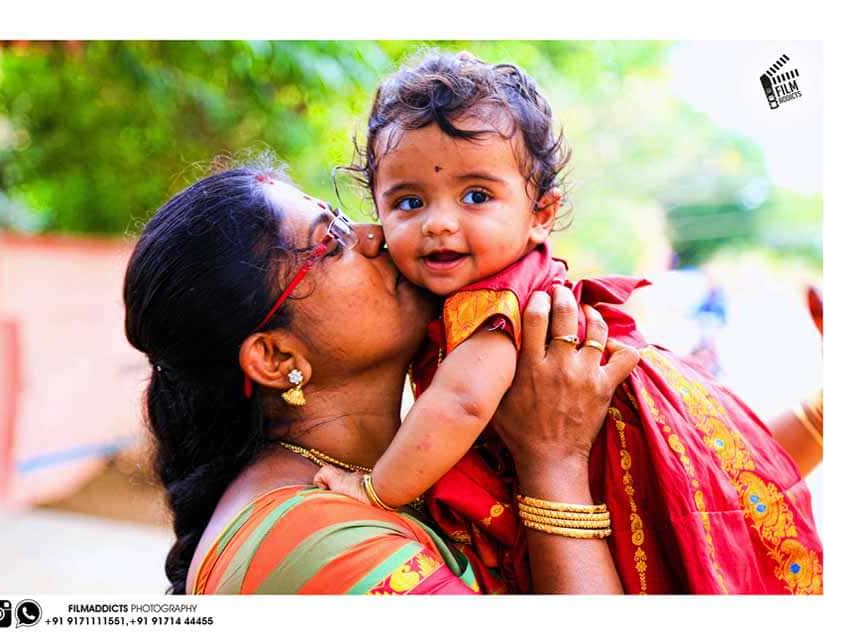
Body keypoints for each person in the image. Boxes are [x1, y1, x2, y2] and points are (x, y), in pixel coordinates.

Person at [316, 52, 823, 594]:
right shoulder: (492, 283)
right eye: (409, 201)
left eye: (477, 196)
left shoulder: (497, 302)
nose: (439, 223)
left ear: (541, 214)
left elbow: (460, 404)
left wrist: (375, 491)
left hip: (617, 457)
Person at [123, 161, 640, 594]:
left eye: (349, 220)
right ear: (277, 359)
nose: (376, 237)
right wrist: (554, 460)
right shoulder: (314, 540)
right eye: (333, 243)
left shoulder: (404, 476)